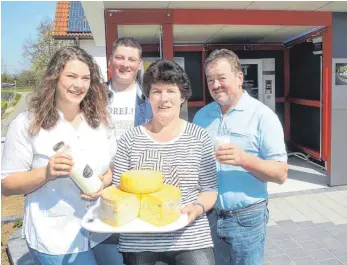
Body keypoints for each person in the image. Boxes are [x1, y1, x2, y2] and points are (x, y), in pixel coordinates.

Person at [1, 46, 123, 265]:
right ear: (55, 78)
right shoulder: (27, 124)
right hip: (56, 237)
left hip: (102, 229)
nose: (79, 84)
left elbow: (112, 167)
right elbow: (7, 184)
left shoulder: (101, 121)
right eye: (71, 76)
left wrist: (102, 182)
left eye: (86, 78)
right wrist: (47, 173)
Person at [112, 59, 218, 265]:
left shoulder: (200, 137)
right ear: (148, 96)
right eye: (157, 91)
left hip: (189, 234)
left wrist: (196, 208)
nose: (164, 99)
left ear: (182, 97)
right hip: (139, 238)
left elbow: (209, 190)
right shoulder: (129, 139)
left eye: (171, 91)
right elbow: (119, 190)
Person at [193, 49, 288, 265]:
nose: (215, 85)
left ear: (239, 77)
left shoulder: (263, 116)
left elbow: (281, 174)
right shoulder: (202, 116)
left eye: (221, 78)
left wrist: (244, 159)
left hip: (247, 218)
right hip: (210, 215)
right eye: (210, 80)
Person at [107, 37, 152, 145]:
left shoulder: (150, 100)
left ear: (140, 64)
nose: (125, 64)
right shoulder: (94, 97)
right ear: (110, 60)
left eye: (131, 59)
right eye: (120, 58)